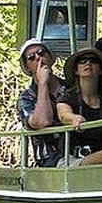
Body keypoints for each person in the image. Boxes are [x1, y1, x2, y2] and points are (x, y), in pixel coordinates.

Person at [56, 48, 102, 166]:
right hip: (71, 160)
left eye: (93, 61)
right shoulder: (69, 97)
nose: (88, 63)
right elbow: (63, 114)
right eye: (82, 61)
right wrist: (74, 119)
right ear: (76, 71)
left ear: (101, 70)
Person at [17, 38, 67, 167]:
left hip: (80, 150)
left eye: (41, 53)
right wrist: (43, 83)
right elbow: (42, 122)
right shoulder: (26, 98)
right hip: (51, 160)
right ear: (27, 68)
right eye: (31, 57)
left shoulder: (71, 87)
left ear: (51, 58)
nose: (38, 58)